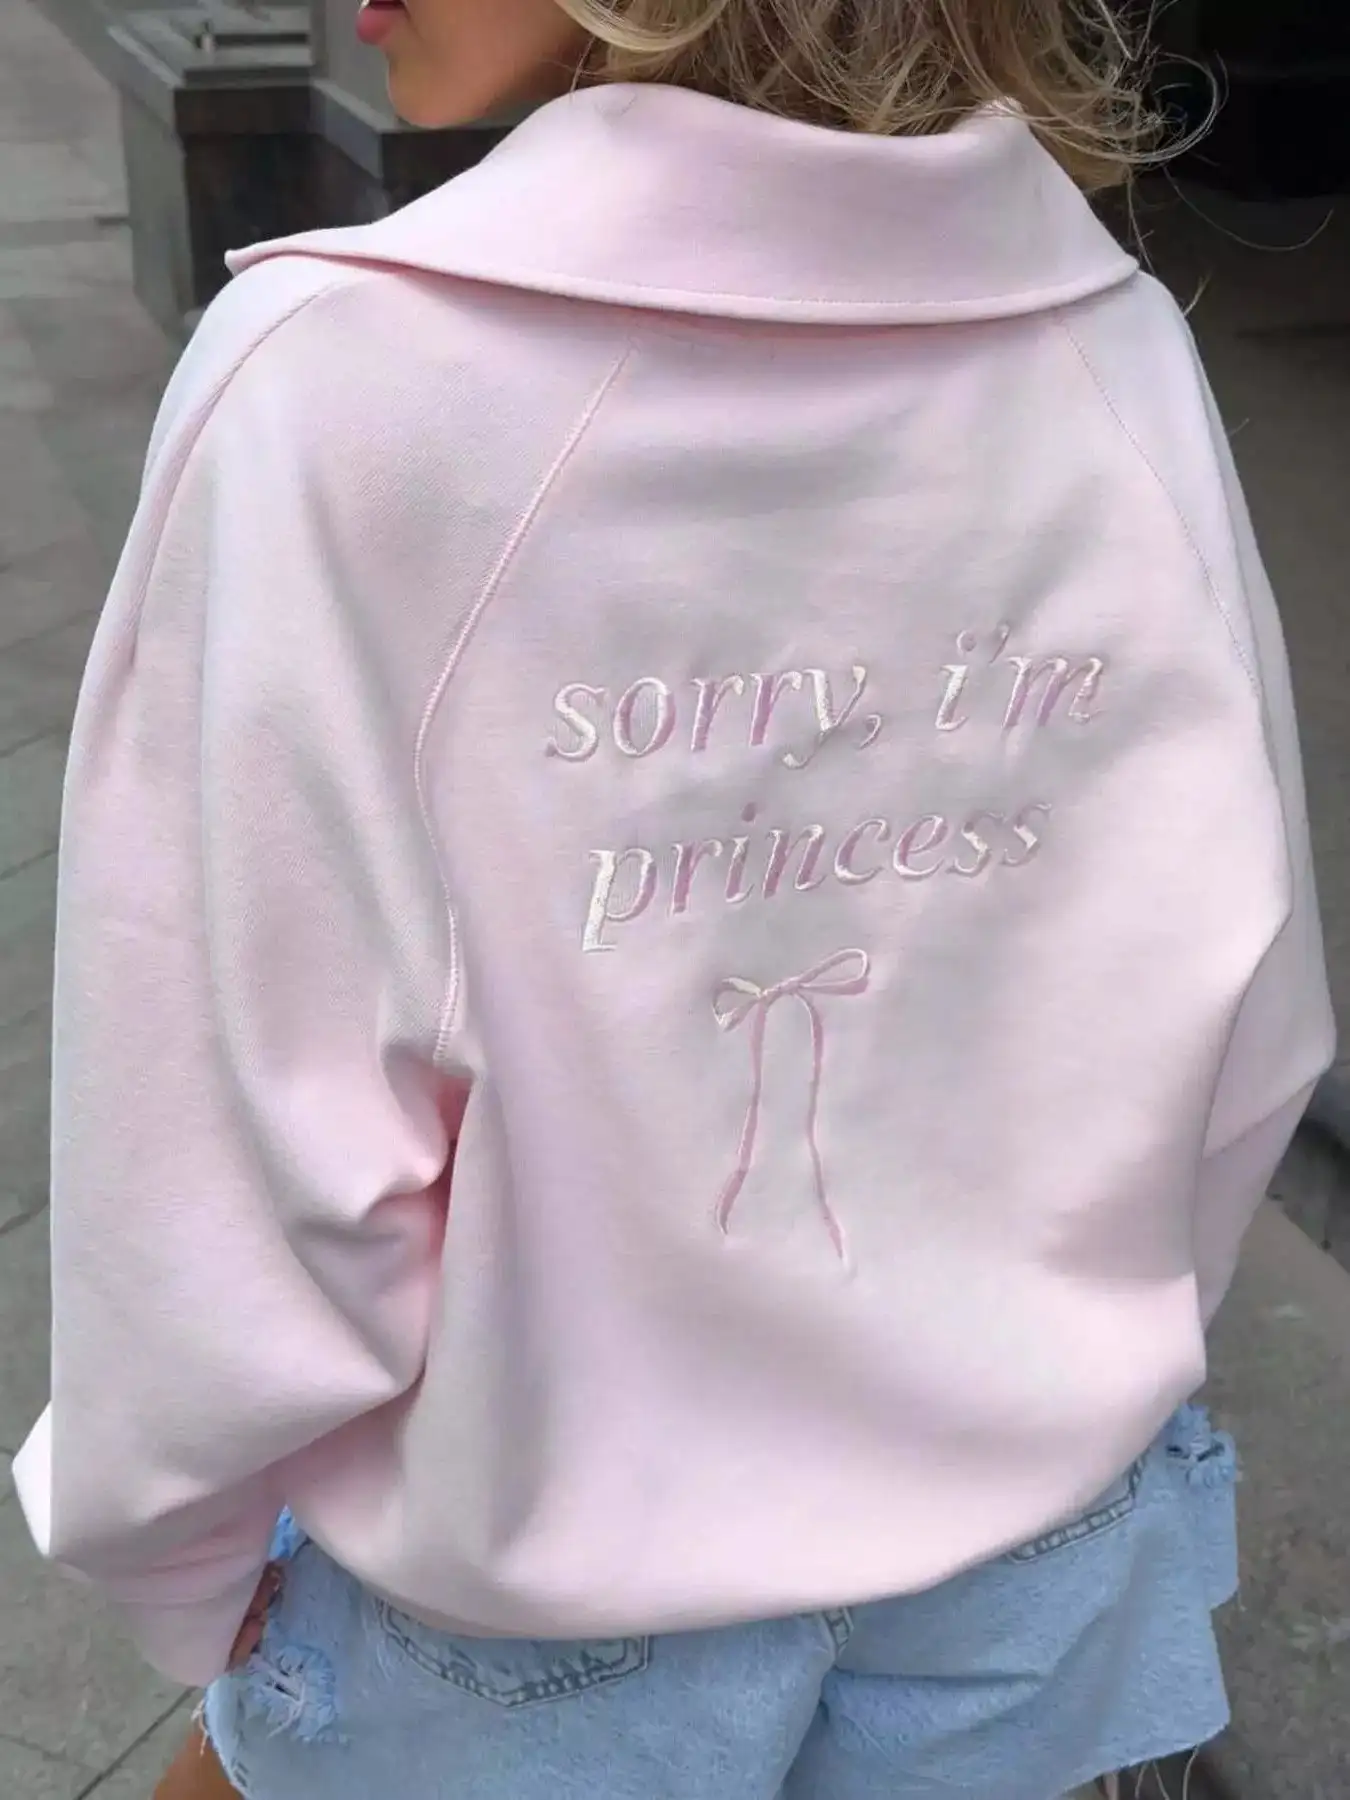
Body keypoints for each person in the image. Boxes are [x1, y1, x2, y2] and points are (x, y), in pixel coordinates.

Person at [15, 1, 1335, 1796]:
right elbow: (1246, 1023)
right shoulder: (1111, 347)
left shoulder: (337, 386)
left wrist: (175, 1560)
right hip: (1034, 1564)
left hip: (547, 1604)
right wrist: (1060, 1361)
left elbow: (218, 1164)